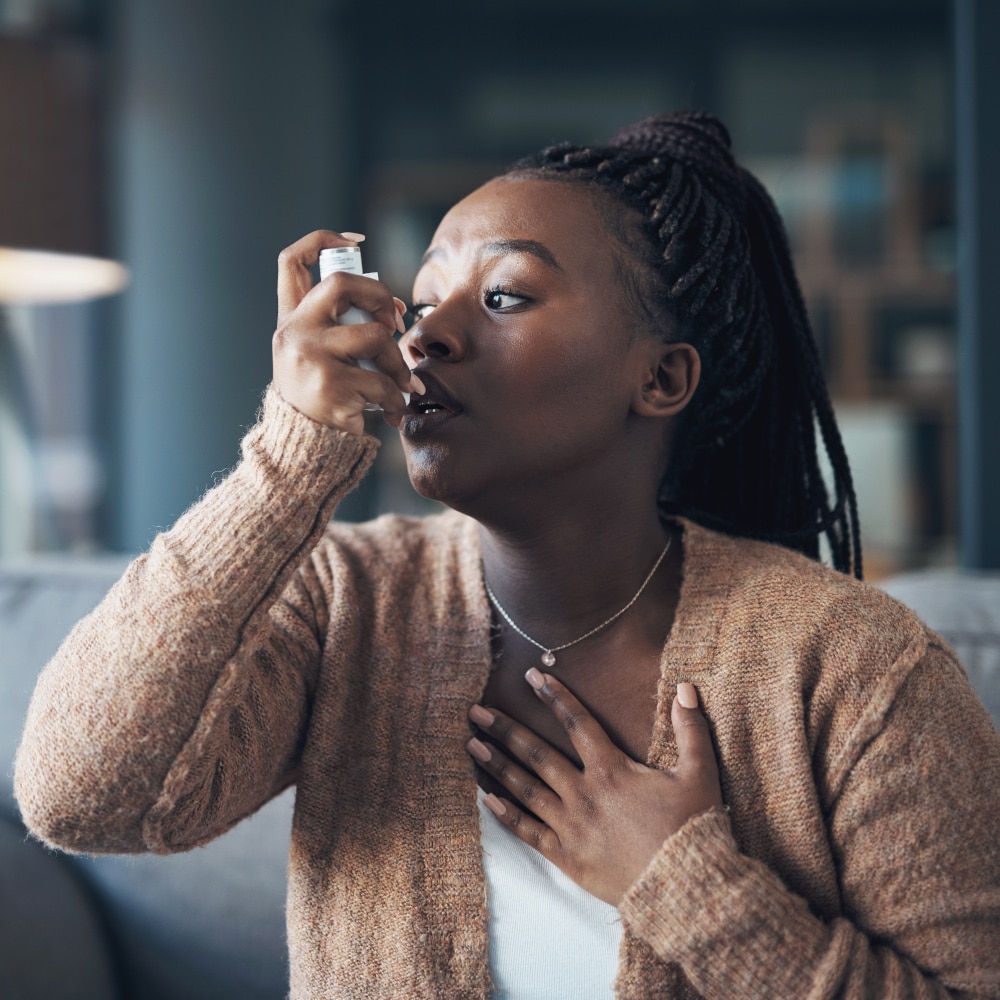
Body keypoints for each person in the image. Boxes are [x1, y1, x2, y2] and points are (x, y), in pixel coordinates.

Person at [14, 112, 1000, 999]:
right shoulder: (348, 603)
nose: (423, 336)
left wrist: (687, 883)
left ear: (659, 378)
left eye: (503, 296)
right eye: (422, 296)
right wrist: (288, 462)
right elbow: (76, 794)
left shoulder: (852, 664)